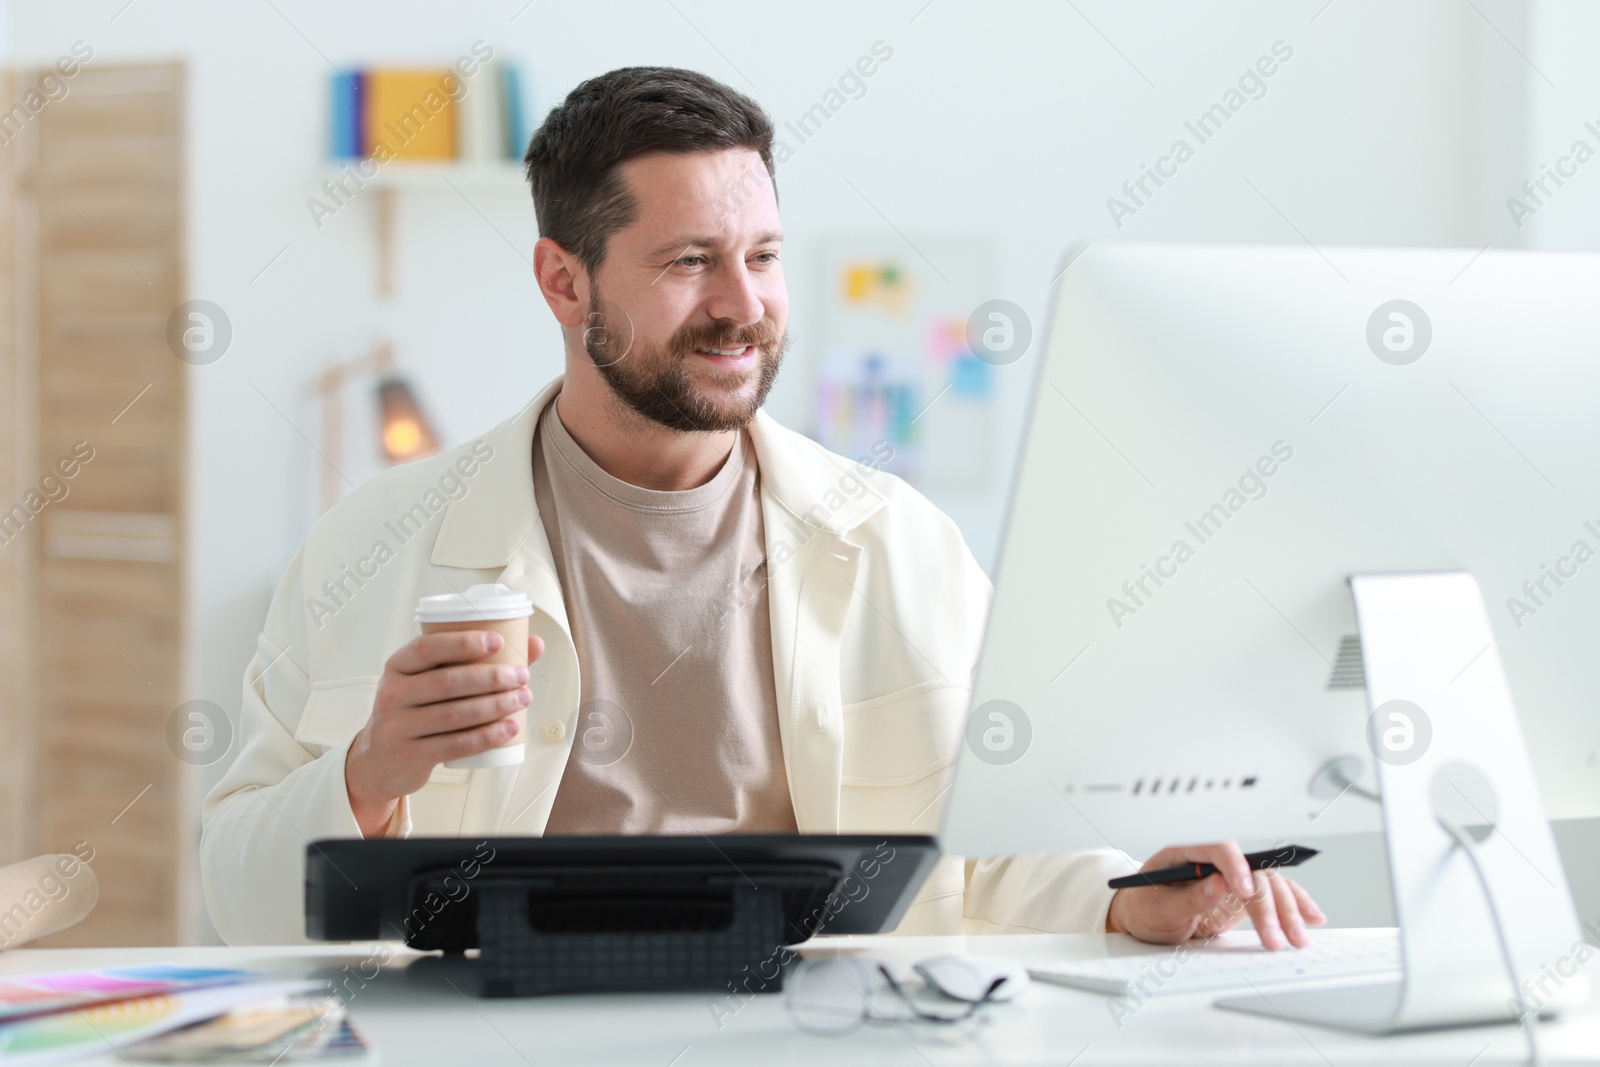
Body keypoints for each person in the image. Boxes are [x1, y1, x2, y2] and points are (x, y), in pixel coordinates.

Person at [201, 66, 1325, 948]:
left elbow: (988, 860)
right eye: (691, 261)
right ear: (562, 279)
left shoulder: (899, 542)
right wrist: (367, 773)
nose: (744, 307)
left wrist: (1131, 893)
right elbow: (232, 885)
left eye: (764, 256)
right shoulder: (372, 542)